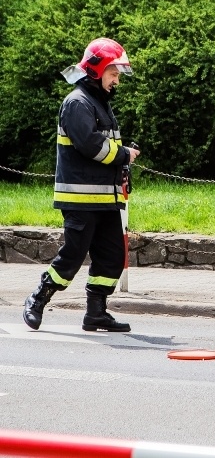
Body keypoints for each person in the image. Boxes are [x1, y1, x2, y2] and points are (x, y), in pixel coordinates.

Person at [23, 38, 140, 333]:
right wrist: (125, 154)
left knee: (113, 257)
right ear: (97, 70)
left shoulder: (98, 102)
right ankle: (38, 298)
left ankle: (96, 313)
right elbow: (91, 146)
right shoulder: (77, 103)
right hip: (80, 199)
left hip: (105, 199)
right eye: (113, 74)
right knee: (72, 257)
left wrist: (122, 168)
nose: (117, 81)